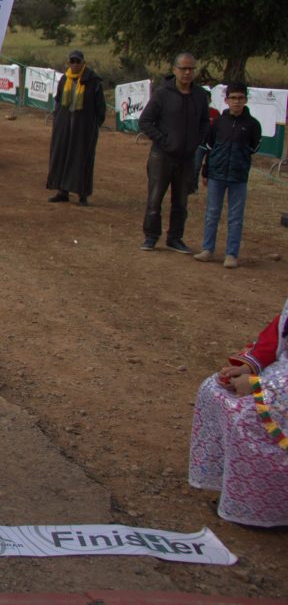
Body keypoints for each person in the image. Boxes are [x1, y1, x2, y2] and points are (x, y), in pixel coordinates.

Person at [189, 296, 288, 527]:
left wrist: (258, 385)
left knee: (247, 415)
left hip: (281, 390)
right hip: (279, 378)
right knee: (213, 389)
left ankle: (261, 508)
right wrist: (248, 367)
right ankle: (232, 487)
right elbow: (277, 334)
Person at [138, 52, 210, 252]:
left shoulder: (200, 96)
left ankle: (175, 238)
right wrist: (163, 140)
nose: (187, 73)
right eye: (183, 68)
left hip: (187, 158)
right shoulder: (162, 93)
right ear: (174, 70)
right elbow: (145, 121)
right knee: (155, 199)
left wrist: (197, 140)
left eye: (191, 69)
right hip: (162, 156)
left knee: (181, 202)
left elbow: (205, 122)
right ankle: (151, 236)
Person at [194, 82, 262, 269]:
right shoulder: (218, 123)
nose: (237, 102)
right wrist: (206, 171)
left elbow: (254, 147)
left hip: (238, 177)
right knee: (212, 213)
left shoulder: (253, 125)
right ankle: (207, 249)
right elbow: (209, 147)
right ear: (226, 100)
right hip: (216, 175)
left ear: (246, 100)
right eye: (233, 98)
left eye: (240, 98)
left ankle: (231, 254)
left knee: (235, 217)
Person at [46, 50, 106, 205]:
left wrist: (94, 125)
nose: (74, 64)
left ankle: (82, 194)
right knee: (61, 155)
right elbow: (58, 99)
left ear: (83, 63)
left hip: (83, 126)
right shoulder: (64, 78)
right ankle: (62, 191)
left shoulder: (93, 81)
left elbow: (100, 107)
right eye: (71, 61)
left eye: (77, 61)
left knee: (81, 158)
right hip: (64, 123)